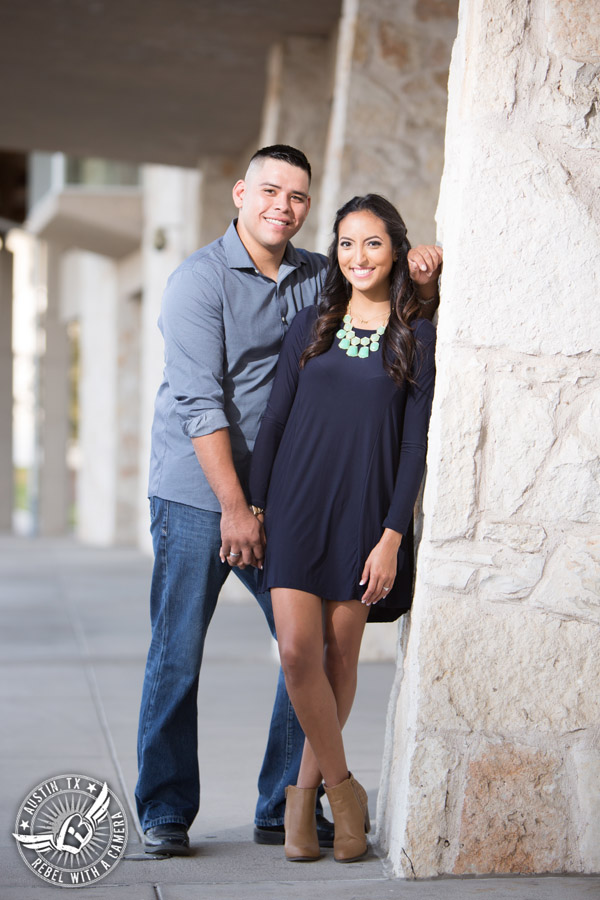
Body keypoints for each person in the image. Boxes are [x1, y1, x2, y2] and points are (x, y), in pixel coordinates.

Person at [136, 144, 442, 856]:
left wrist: (423, 285)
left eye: (298, 197)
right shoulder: (199, 282)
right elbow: (200, 403)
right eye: (271, 191)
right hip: (200, 495)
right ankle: (166, 810)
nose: (284, 206)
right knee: (177, 653)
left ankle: (283, 804)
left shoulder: (314, 276)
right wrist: (238, 508)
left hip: (282, 494)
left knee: (303, 649)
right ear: (241, 193)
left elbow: (377, 311)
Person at [247, 194, 439, 863]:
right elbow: (273, 423)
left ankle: (303, 803)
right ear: (337, 252)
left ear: (395, 251)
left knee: (339, 652)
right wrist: (256, 509)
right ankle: (342, 790)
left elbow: (414, 447)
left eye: (374, 244)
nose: (359, 257)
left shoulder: (416, 335)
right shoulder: (312, 324)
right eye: (348, 244)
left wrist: (393, 536)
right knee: (298, 652)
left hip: (364, 511)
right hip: (295, 505)